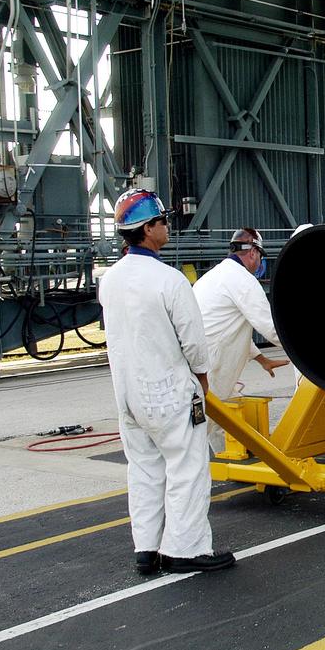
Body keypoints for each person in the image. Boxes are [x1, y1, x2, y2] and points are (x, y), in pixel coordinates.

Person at [99, 187, 235, 575]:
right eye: (162, 221)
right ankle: (185, 549)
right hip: (168, 393)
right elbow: (193, 342)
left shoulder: (110, 280)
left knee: (143, 469)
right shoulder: (169, 280)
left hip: (128, 396)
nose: (167, 227)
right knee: (187, 469)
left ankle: (146, 549)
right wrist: (203, 379)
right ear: (147, 229)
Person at [193, 228, 289, 453]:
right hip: (214, 365)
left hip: (200, 360)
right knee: (204, 425)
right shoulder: (243, 280)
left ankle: (223, 461)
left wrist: (262, 359)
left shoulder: (215, 276)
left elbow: (231, 327)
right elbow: (271, 327)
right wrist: (307, 351)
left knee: (222, 420)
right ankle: (193, 471)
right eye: (261, 257)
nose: (260, 263)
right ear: (253, 252)